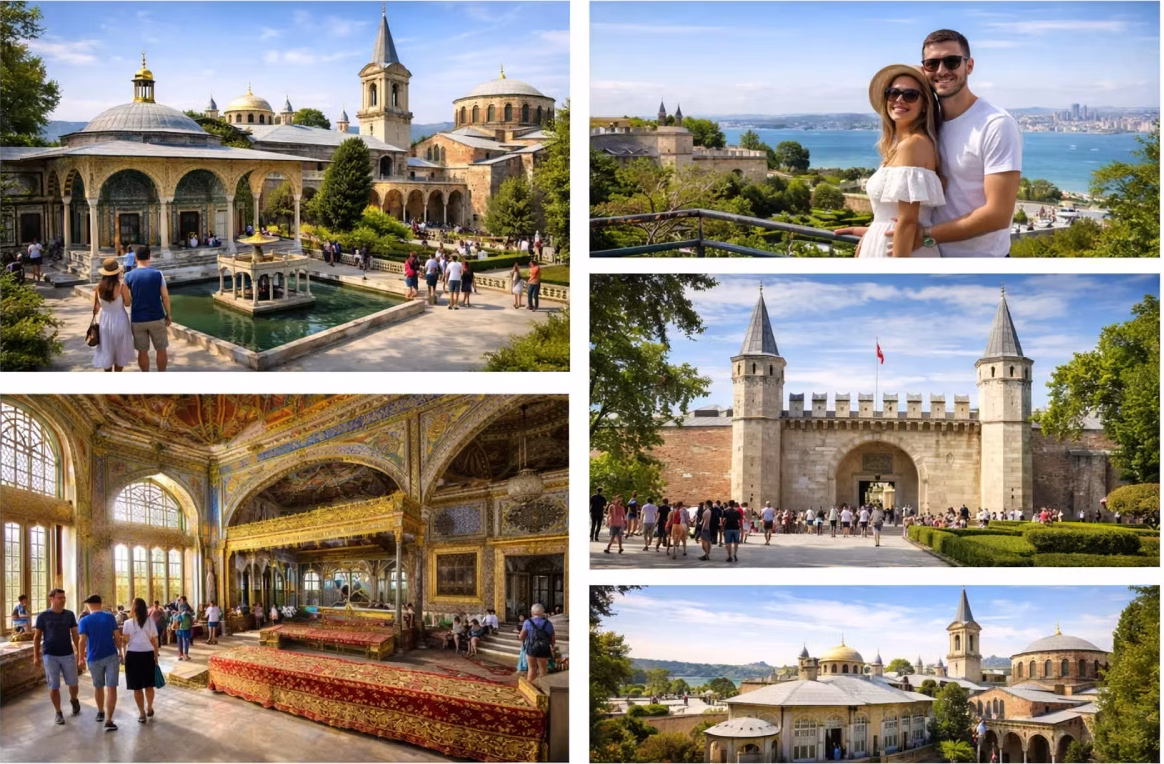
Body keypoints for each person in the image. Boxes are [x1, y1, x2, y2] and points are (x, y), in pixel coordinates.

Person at [33, 588, 81, 725]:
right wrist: (36, 656)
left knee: (73, 683)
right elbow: (37, 638)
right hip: (50, 655)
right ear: (52, 599)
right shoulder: (43, 616)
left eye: (64, 597)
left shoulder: (69, 615)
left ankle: (73, 699)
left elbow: (76, 636)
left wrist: (80, 654)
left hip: (67, 654)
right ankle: (58, 712)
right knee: (54, 685)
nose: (63, 600)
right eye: (60, 598)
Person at [77, 594, 122, 731]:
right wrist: (120, 651)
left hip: (93, 657)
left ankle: (100, 711)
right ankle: (109, 719)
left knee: (98, 687)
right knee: (112, 687)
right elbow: (117, 636)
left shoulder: (84, 621)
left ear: (89, 605)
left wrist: (80, 658)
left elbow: (82, 641)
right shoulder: (110, 618)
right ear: (100, 603)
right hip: (111, 656)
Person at [123, 247, 172, 372]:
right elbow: (165, 297)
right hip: (157, 316)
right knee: (161, 349)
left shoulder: (128, 276)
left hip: (138, 319)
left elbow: (126, 301)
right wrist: (169, 314)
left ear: (136, 258)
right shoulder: (158, 274)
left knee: (142, 351)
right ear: (149, 256)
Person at [90, 257, 134, 372]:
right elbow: (128, 304)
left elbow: (95, 309)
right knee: (120, 350)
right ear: (116, 273)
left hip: (105, 321)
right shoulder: (121, 287)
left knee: (106, 349)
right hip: (120, 320)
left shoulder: (98, 288)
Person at [122, 597, 159, 724]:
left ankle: (142, 712)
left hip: (133, 656)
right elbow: (155, 642)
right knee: (149, 685)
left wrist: (121, 645)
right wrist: (156, 658)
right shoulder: (150, 622)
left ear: (134, 608)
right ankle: (149, 707)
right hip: (147, 656)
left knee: (137, 687)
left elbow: (125, 641)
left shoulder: (128, 623)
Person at [519, 603, 555, 683]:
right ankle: (543, 688)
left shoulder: (527, 622)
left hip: (531, 647)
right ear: (543, 612)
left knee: (532, 668)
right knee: (543, 669)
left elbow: (521, 636)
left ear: (532, 612)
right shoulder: (548, 623)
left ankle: (531, 687)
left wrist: (523, 641)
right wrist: (552, 646)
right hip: (544, 648)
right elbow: (552, 638)